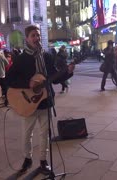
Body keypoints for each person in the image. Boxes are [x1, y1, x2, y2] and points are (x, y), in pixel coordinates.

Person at [6, 25, 75, 175]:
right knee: (27, 133)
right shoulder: (21, 58)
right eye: (33, 35)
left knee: (44, 133)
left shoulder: (47, 56)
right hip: (28, 103)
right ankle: (27, 158)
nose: (36, 38)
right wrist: (28, 83)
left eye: (38, 35)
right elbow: (9, 79)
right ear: (27, 39)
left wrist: (68, 73)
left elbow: (54, 79)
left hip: (45, 100)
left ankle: (43, 160)